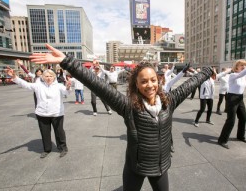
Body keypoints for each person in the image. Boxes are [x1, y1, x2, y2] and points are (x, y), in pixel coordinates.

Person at [29, 44, 213, 190]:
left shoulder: (168, 102)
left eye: (153, 80)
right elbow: (98, 85)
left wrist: (206, 71)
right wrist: (67, 61)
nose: (150, 85)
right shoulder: (129, 106)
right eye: (144, 81)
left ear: (158, 81)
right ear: (137, 84)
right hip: (136, 167)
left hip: (160, 166)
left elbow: (190, 84)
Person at [5, 66, 71, 158]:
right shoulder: (38, 85)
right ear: (43, 77)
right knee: (45, 132)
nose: (48, 78)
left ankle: (63, 148)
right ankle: (47, 149)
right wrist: (14, 77)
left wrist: (68, 87)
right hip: (42, 113)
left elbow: (66, 92)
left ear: (54, 77)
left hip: (57, 113)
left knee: (59, 132)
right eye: (46, 76)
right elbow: (26, 84)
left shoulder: (59, 86)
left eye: (51, 76)